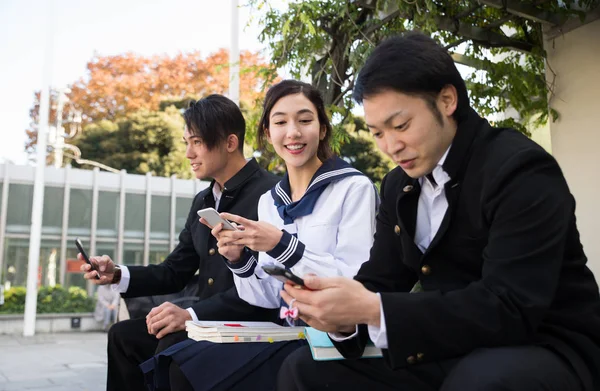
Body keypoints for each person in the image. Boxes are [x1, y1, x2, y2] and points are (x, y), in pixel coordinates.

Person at [278, 32, 600, 391]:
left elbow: (511, 307)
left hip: (545, 347)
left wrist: (371, 308)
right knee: (306, 370)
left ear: (447, 100)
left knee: (480, 381)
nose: (391, 146)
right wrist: (336, 314)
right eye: (377, 133)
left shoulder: (518, 169)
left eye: (400, 126)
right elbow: (380, 282)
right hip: (452, 347)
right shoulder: (398, 185)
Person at [142, 80, 379, 391]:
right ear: (268, 134)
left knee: (190, 370)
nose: (292, 132)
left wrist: (281, 245)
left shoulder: (353, 188)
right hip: (287, 330)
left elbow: (354, 282)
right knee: (173, 362)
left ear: (322, 129)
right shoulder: (272, 200)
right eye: (280, 122)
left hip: (337, 337)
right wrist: (239, 261)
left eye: (305, 120)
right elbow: (266, 295)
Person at [80, 94, 280, 391]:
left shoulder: (271, 194)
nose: (188, 153)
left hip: (252, 324)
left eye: (197, 142)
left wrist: (190, 315)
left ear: (230, 143)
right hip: (204, 322)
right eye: (187, 142)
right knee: (123, 336)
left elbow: (270, 286)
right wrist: (117, 274)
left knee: (171, 345)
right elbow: (175, 271)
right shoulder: (203, 199)